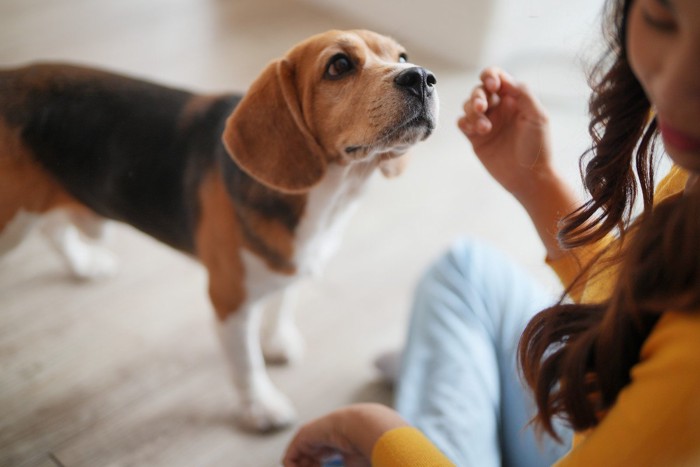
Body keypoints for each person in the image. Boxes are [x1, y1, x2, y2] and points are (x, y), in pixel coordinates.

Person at [283, 0, 700, 465]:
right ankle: (451, 386)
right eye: (663, 18)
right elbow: (640, 298)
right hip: (610, 397)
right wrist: (536, 179)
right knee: (464, 269)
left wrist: (368, 428)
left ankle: (438, 397)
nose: (677, 85)